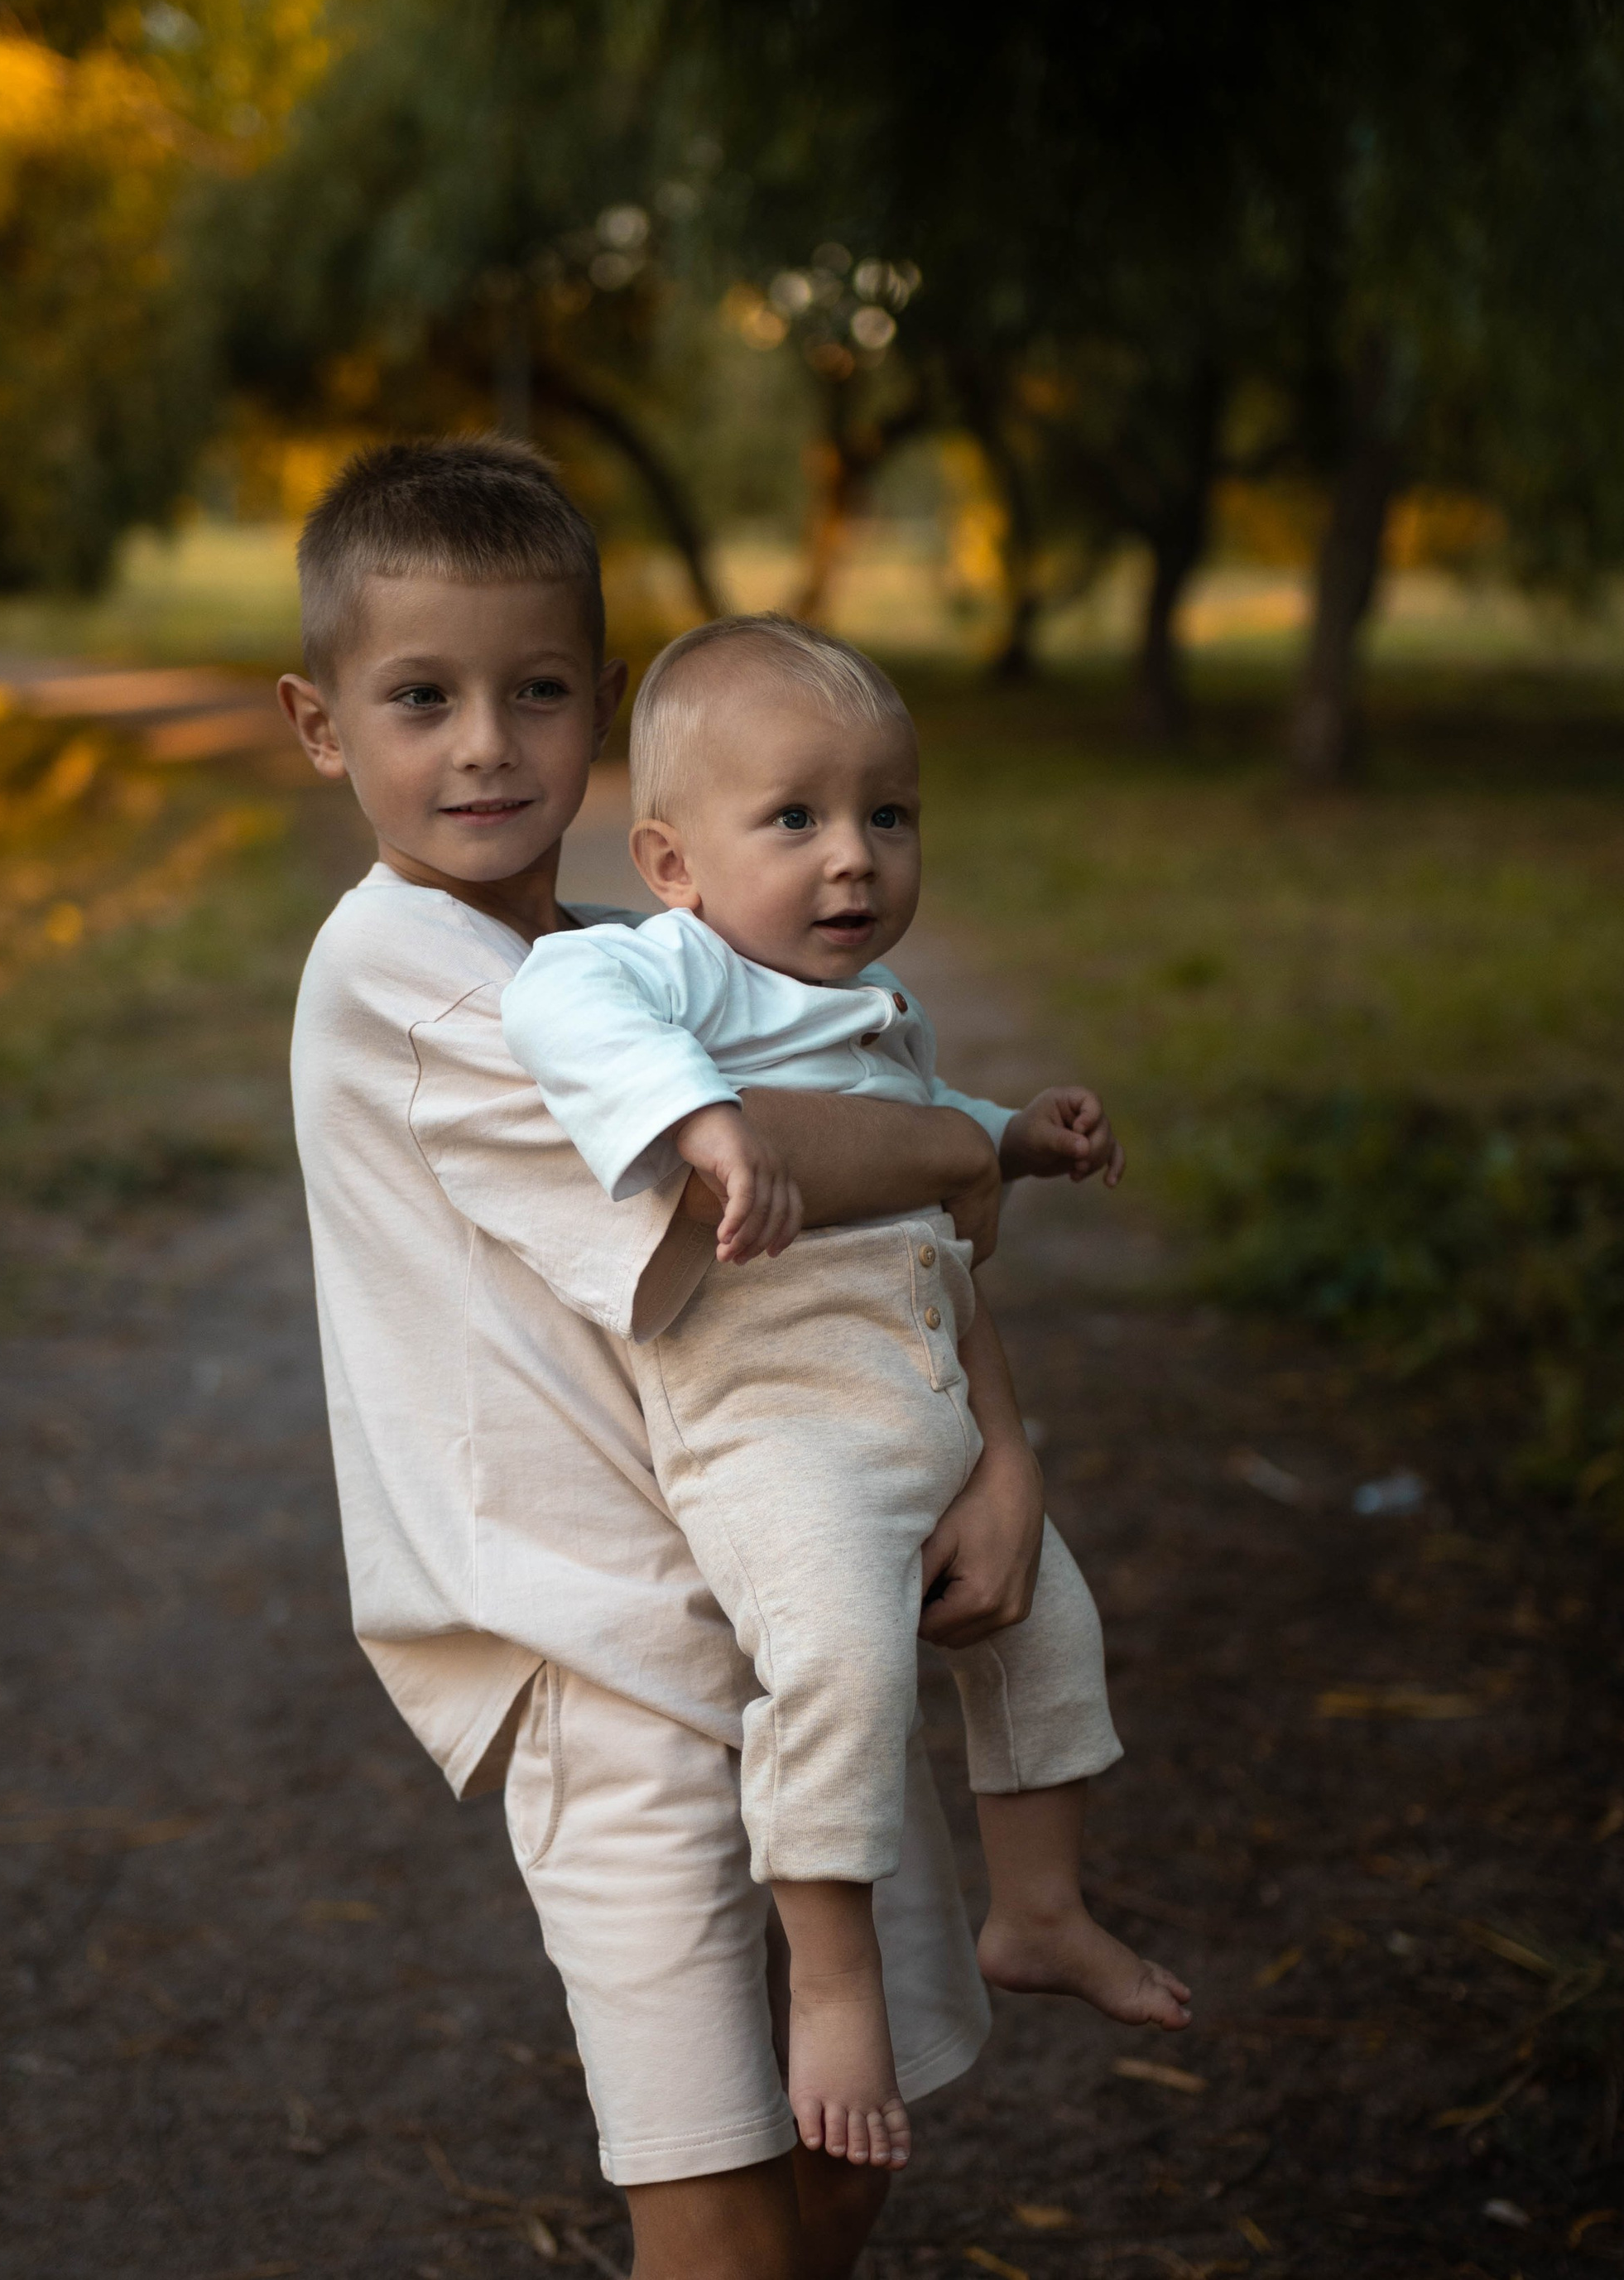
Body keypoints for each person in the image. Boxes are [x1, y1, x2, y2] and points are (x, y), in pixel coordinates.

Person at [277, 438, 1074, 2280]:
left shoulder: (637, 956)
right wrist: (972, 1140)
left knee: (847, 2163)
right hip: (598, 1649)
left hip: (785, 1609)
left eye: (535, 691)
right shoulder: (409, 982)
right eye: (421, 699)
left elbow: (859, 1223)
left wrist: (1002, 1449)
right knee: (715, 2210)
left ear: (605, 713)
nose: (484, 745)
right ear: (321, 727)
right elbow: (816, 1154)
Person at [500, 613, 1189, 2174]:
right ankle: (831, 1983)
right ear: (670, 860)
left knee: (1048, 1626)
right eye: (796, 818)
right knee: (844, 1666)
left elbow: (914, 1118)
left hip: (920, 1394)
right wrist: (703, 1122)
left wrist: (1011, 1133)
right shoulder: (666, 967)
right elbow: (560, 1008)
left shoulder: (879, 1006)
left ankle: (1039, 1909)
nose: (854, 859)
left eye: (888, 813)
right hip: (779, 1424)